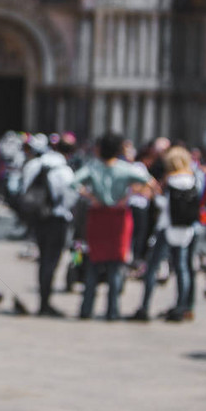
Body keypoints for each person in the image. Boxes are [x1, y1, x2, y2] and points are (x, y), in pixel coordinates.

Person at [73, 132, 157, 321]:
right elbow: (151, 182)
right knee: (116, 266)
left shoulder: (93, 168)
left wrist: (91, 196)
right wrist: (128, 196)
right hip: (119, 218)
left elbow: (72, 182)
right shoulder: (125, 168)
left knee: (93, 264)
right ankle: (113, 310)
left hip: (98, 216)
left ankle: (86, 309)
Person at [130, 146, 201, 322]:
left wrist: (155, 194)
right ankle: (181, 307)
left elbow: (164, 205)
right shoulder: (194, 180)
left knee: (153, 267)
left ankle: (144, 307)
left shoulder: (171, 181)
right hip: (185, 230)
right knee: (182, 268)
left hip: (166, 228)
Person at [20, 135, 76, 317]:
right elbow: (70, 197)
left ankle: (43, 301)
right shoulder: (64, 170)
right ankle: (45, 303)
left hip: (37, 218)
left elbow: (24, 190)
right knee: (51, 261)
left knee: (43, 259)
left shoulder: (33, 164)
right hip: (57, 219)